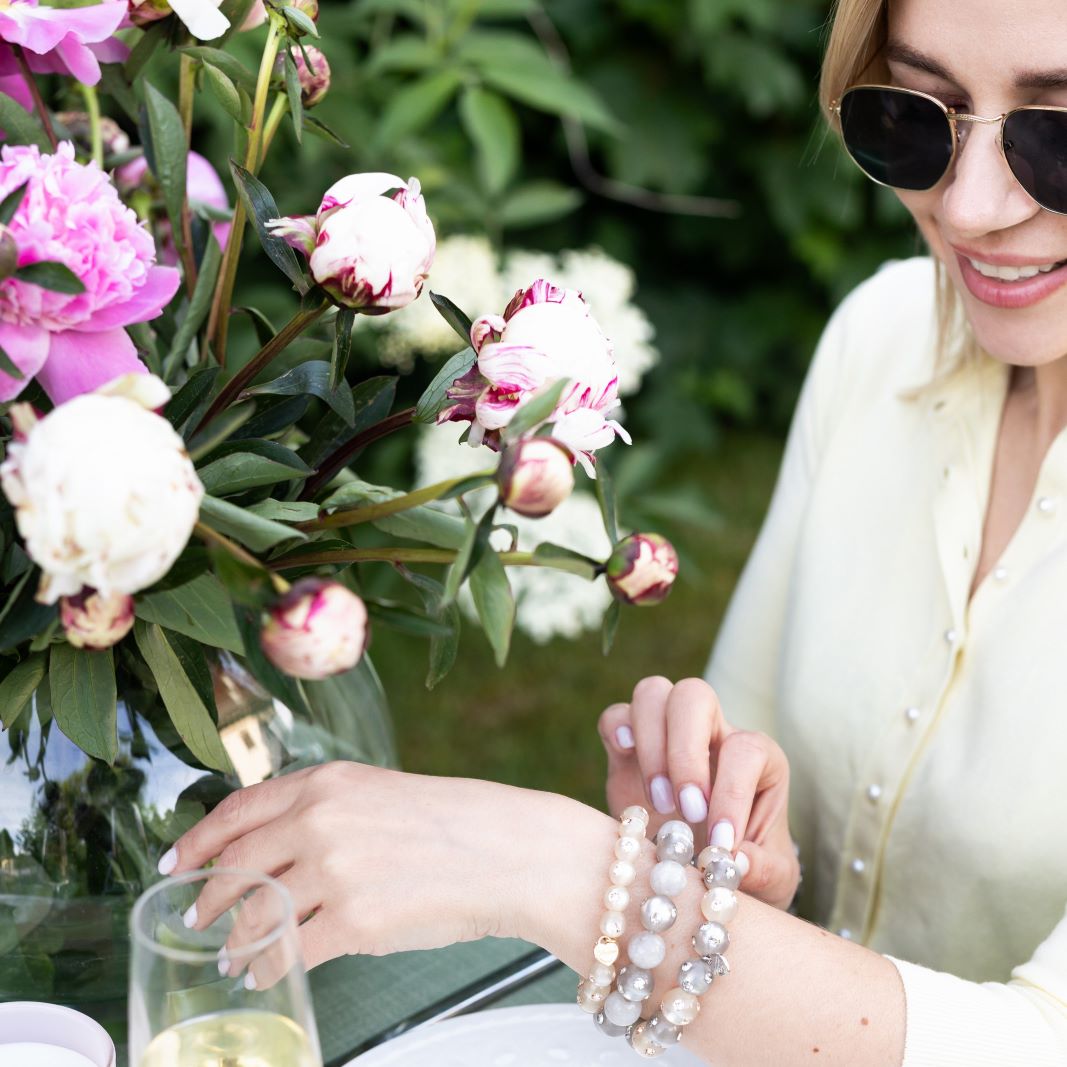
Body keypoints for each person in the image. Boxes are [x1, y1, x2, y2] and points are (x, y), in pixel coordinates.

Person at [160, 0, 1067, 1062]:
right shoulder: (876, 341)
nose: (964, 206)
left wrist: (556, 869)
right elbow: (755, 852)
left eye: (1054, 135)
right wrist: (728, 856)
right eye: (916, 115)